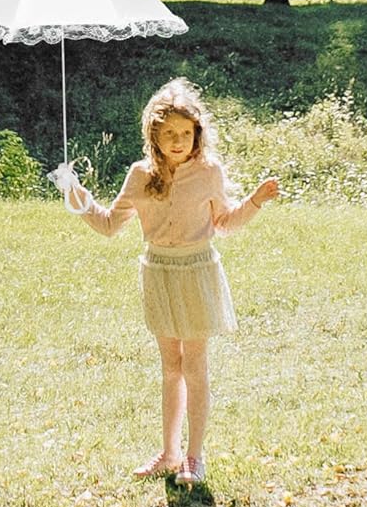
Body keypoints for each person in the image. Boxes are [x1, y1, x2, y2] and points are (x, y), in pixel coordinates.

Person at [58, 78, 279, 486]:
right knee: (170, 367)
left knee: (194, 364)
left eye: (185, 133)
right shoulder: (140, 175)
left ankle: (195, 456)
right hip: (158, 272)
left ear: (197, 134)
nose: (178, 141)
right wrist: (78, 198)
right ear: (154, 136)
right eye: (169, 133)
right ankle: (169, 452)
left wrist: (255, 202)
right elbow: (109, 225)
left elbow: (224, 222)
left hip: (196, 271)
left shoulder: (208, 172)